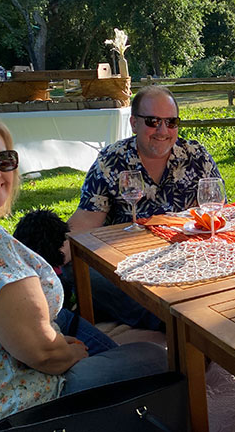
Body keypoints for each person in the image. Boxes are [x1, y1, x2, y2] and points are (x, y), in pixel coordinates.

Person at [0, 112, 167, 431]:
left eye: (4, 160)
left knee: (79, 317)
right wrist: (71, 353)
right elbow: (44, 356)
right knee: (155, 357)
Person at [66, 85, 222, 329]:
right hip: (127, 263)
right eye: (152, 121)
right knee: (84, 273)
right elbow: (86, 220)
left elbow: (216, 210)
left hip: (181, 259)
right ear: (134, 123)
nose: (163, 131)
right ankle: (174, 325)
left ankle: (179, 323)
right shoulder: (111, 160)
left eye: (171, 122)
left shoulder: (196, 156)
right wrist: (49, 255)